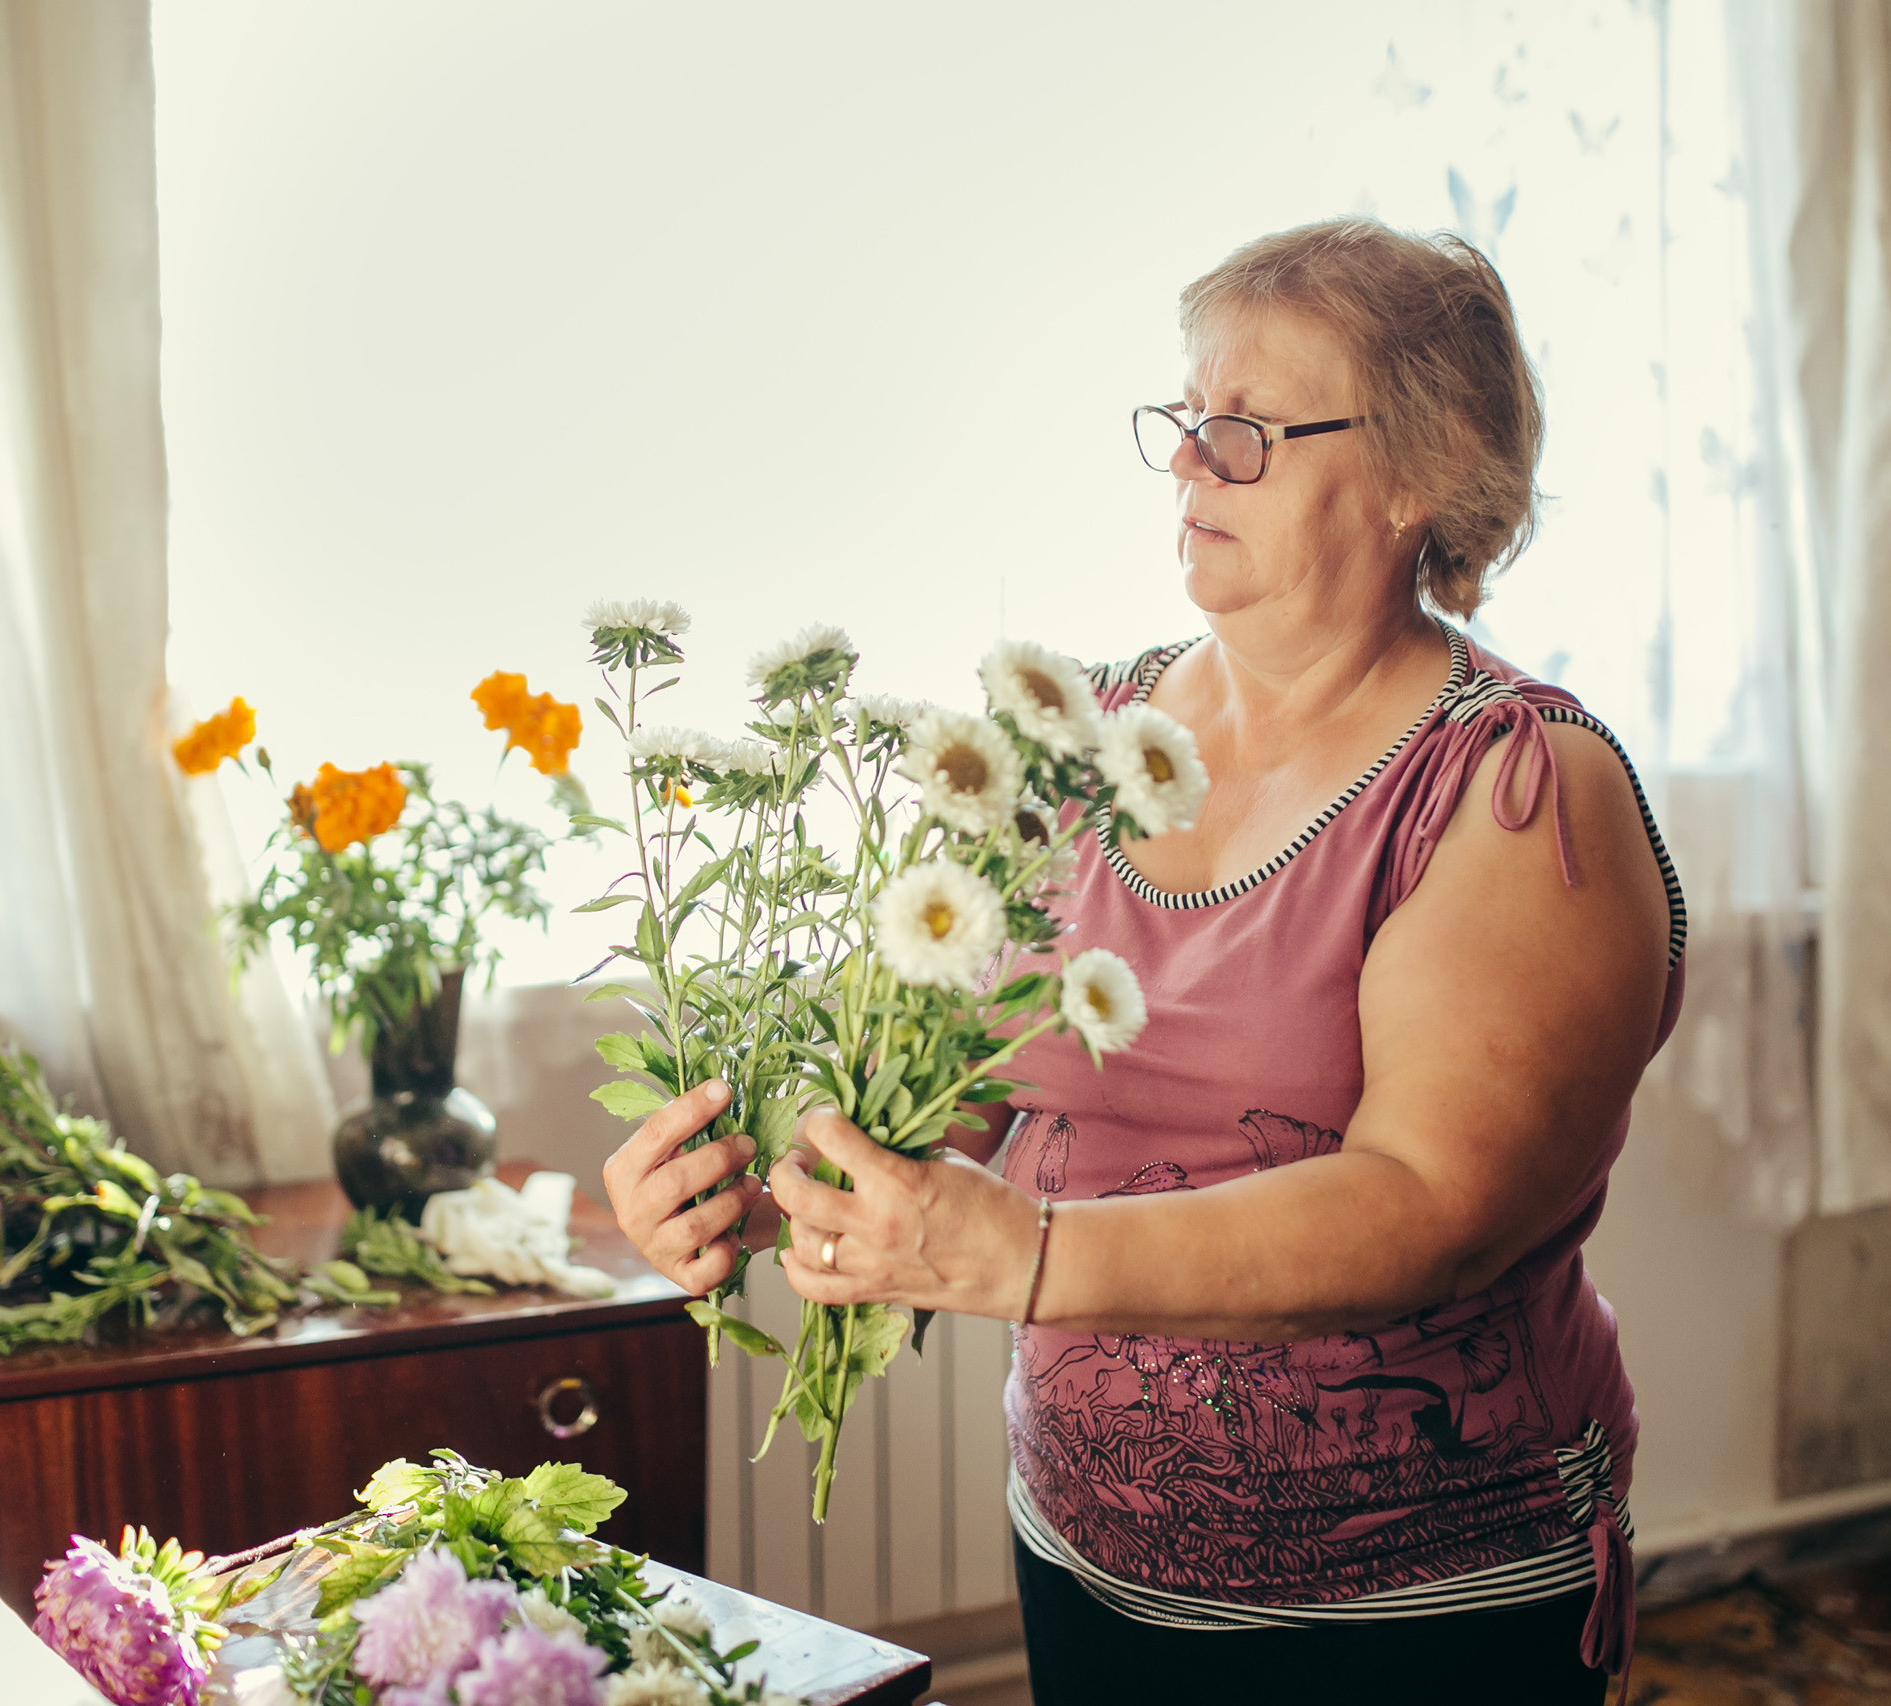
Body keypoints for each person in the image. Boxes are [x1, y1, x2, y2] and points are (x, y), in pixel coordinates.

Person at [603, 218, 1683, 1705]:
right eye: (1184, 420)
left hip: (1422, 1611)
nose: (1186, 466)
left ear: (1419, 476)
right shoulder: (1078, 741)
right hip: (1083, 1560)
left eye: (1244, 432)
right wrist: (736, 1181)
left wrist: (1023, 1252)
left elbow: (1433, 1207)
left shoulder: (1512, 787)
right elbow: (944, 1107)